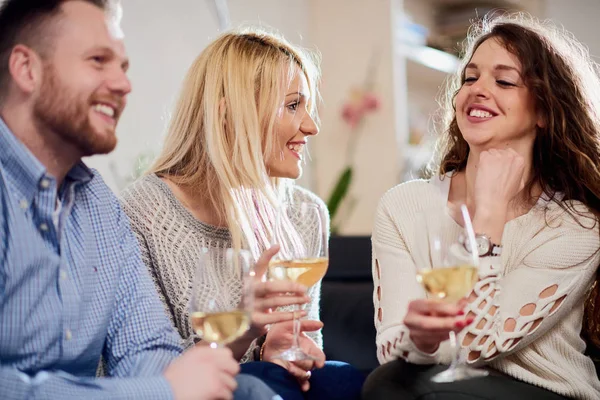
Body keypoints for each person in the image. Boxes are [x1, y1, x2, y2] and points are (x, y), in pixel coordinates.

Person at [0, 1, 280, 399]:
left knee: (251, 390)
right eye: (98, 60)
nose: (123, 84)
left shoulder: (98, 206)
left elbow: (148, 352)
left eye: (124, 67)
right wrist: (161, 392)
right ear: (27, 69)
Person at [364, 14, 600, 400]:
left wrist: (487, 218)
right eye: (470, 78)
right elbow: (391, 347)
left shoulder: (575, 226)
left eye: (504, 81)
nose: (478, 90)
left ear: (543, 111)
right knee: (387, 383)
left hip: (545, 390)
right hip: (434, 384)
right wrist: (419, 339)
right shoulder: (402, 205)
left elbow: (476, 345)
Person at [120, 28, 364, 400]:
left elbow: (303, 349)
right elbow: (152, 377)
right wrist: (245, 330)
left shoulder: (304, 213)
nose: (311, 127)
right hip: (187, 390)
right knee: (251, 384)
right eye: (293, 105)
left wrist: (281, 349)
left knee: (341, 380)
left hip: (270, 387)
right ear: (228, 114)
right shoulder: (143, 214)